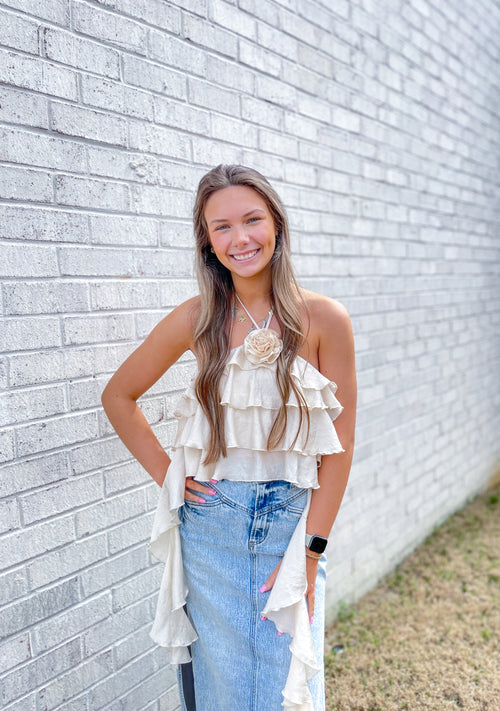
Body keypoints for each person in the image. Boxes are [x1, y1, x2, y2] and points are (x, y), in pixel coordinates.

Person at [101, 164, 357, 711]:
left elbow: (340, 449)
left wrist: (310, 555)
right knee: (219, 685)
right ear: (207, 240)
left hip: (290, 525)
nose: (240, 239)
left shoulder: (324, 319)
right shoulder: (197, 318)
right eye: (221, 227)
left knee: (285, 688)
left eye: (252, 220)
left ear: (277, 225)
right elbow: (118, 397)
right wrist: (170, 474)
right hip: (210, 526)